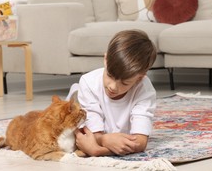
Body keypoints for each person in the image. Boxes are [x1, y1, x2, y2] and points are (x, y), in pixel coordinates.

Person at [66, 29, 157, 157]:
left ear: (139, 78)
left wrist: (97, 151)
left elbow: (140, 142)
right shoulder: (88, 83)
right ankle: (74, 92)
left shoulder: (144, 89)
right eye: (110, 75)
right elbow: (93, 134)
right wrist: (103, 139)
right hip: (83, 100)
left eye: (124, 83)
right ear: (105, 59)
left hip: (111, 133)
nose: (113, 87)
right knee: (68, 121)